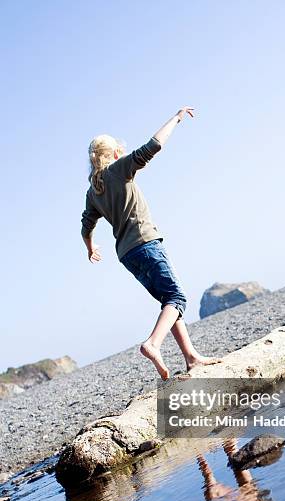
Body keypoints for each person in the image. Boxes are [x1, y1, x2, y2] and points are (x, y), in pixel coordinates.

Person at [81, 107, 222, 380]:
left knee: (168, 302)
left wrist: (90, 247)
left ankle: (192, 358)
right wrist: (177, 118)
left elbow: (86, 225)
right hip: (145, 243)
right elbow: (153, 145)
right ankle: (153, 344)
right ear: (114, 153)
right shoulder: (118, 170)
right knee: (177, 298)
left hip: (127, 255)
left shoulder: (93, 190)